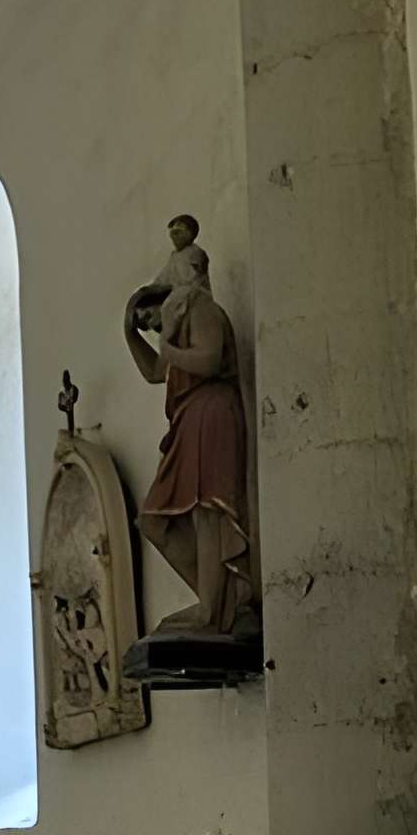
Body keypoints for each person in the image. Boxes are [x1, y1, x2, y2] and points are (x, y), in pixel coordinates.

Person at [123, 215, 256, 638]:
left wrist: (168, 347)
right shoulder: (175, 328)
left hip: (211, 411)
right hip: (187, 418)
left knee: (208, 512)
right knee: (154, 521)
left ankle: (215, 613)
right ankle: (216, 601)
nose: (152, 327)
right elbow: (155, 373)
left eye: (149, 317)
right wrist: (132, 337)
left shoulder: (199, 307)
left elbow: (209, 360)